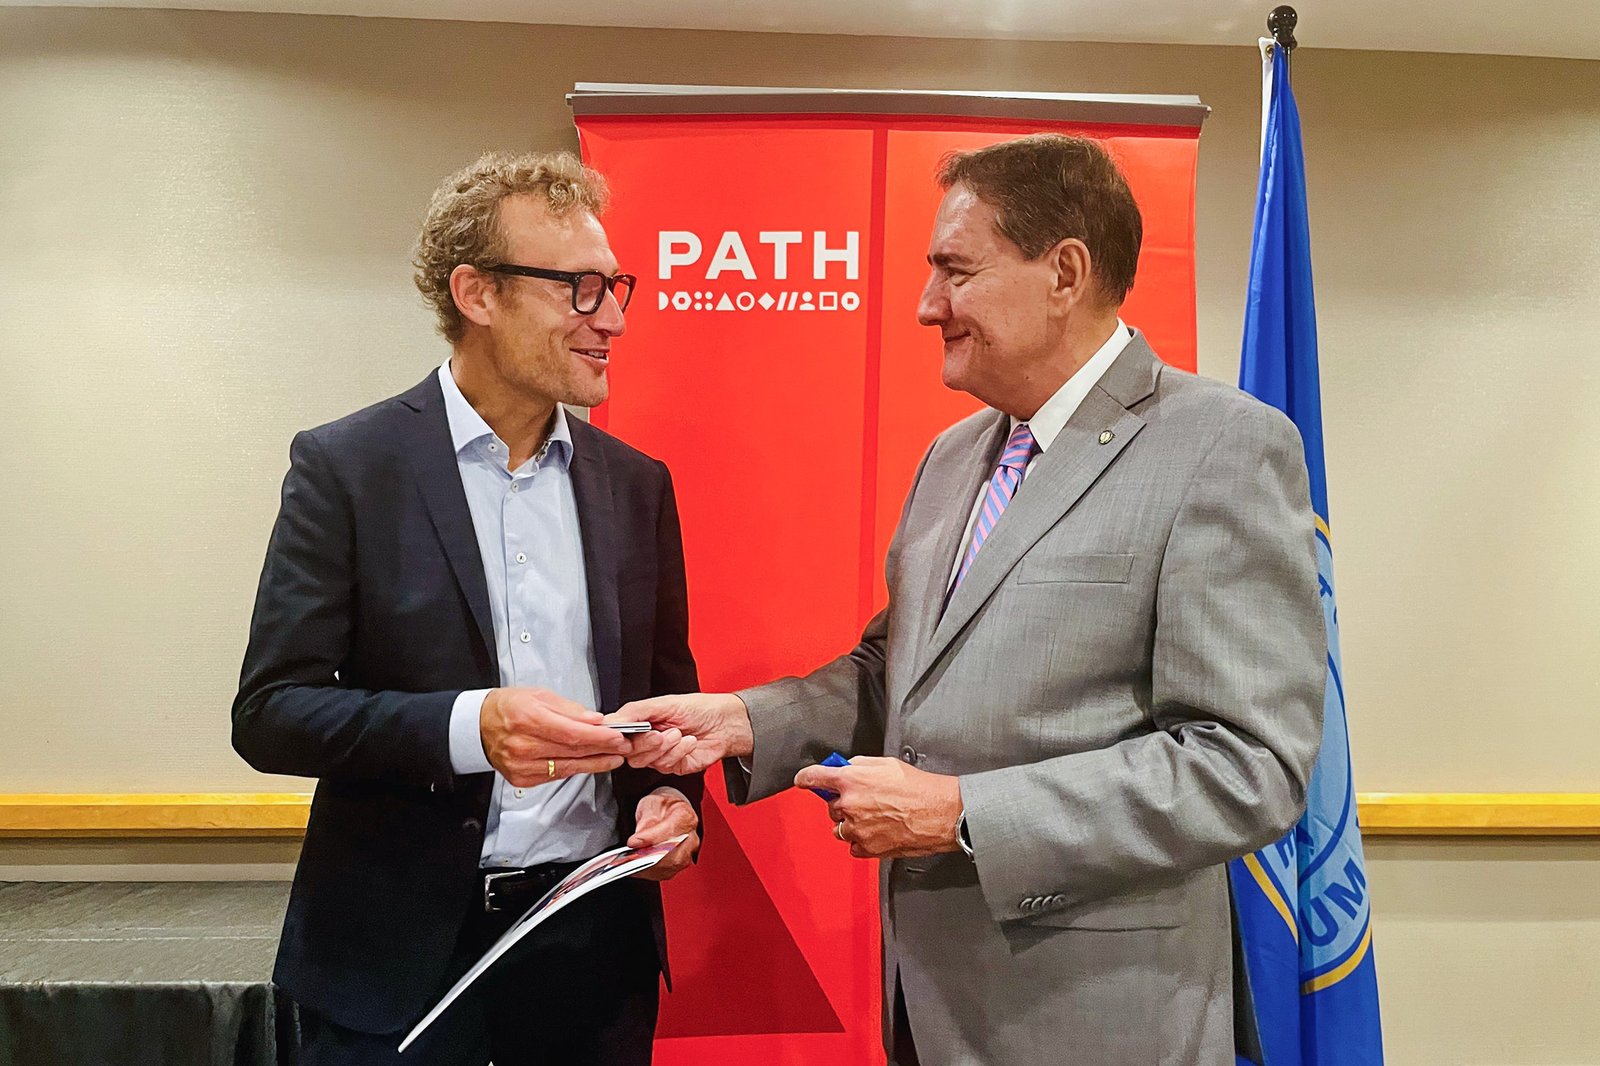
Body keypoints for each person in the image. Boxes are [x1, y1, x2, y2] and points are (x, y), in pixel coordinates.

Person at [612, 134, 1325, 1066]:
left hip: (1103, 1022)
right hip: (931, 1009)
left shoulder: (1223, 447)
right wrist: (746, 721)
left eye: (956, 270)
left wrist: (961, 814)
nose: (926, 304)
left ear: (1064, 272)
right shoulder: (952, 459)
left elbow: (1248, 765)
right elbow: (899, 673)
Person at [233, 150, 702, 1066]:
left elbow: (664, 700)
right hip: (394, 960)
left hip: (590, 957)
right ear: (477, 293)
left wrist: (669, 799)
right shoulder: (347, 468)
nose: (611, 317)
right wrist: (468, 728)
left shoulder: (636, 486)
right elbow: (271, 713)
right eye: (578, 288)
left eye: (615, 287)